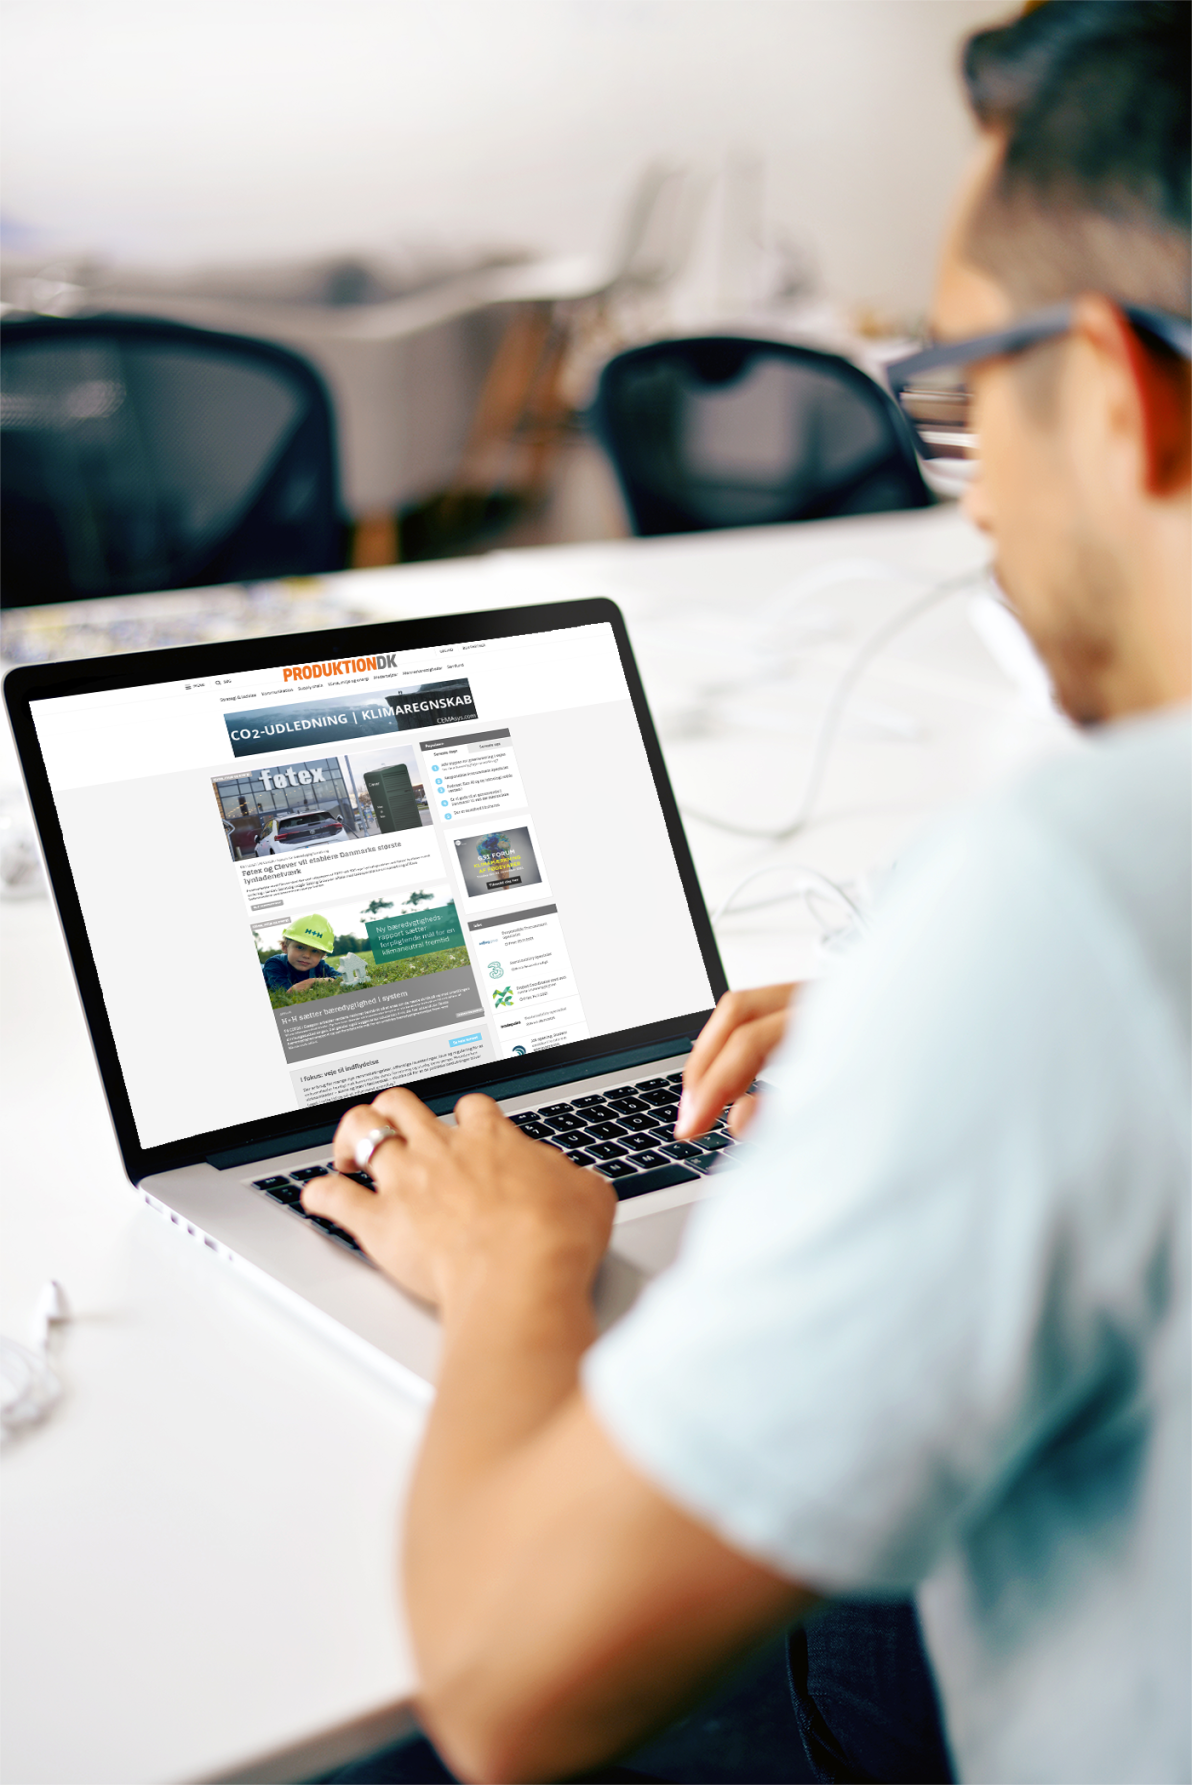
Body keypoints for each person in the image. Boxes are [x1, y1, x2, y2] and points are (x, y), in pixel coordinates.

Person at [305, 3, 1192, 1780]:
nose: (974, 508)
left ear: (1109, 389)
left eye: (952, 395)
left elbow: (502, 1679)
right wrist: (943, 1053)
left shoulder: (1068, 901)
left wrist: (508, 1264)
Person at [262, 915, 342, 993]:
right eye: (300, 947)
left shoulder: (320, 965)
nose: (306, 955)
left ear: (322, 956)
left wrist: (313, 981)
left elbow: (341, 977)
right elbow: (285, 991)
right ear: (285, 947)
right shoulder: (274, 964)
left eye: (314, 951)